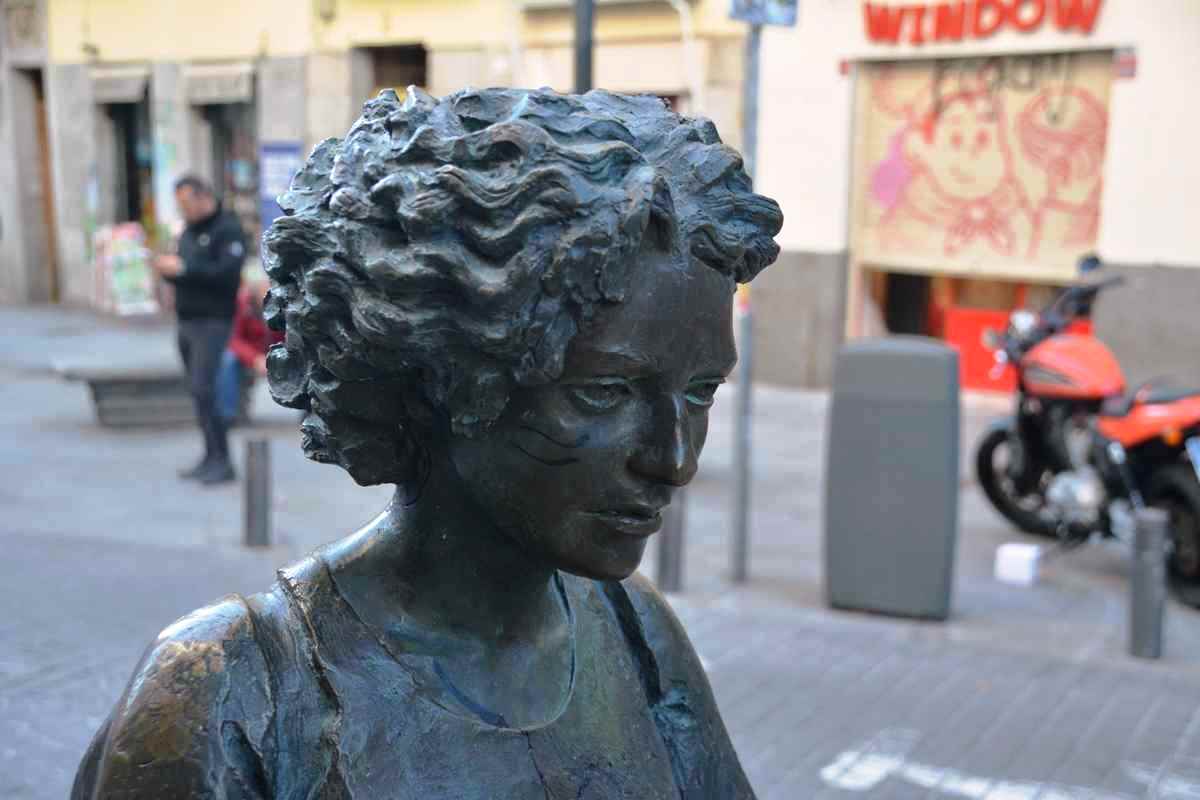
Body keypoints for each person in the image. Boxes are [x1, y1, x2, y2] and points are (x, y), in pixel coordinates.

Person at [72, 87, 783, 798]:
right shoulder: (232, 697)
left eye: (700, 393)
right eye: (603, 392)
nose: (673, 460)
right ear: (438, 376)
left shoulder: (639, 634)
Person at [150, 175, 247, 485]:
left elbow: (226, 274)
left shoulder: (228, 229)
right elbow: (185, 272)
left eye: (186, 203)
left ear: (204, 197)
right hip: (187, 321)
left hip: (214, 322)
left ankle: (223, 461)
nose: (184, 210)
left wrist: (185, 270)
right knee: (197, 392)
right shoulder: (189, 231)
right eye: (179, 205)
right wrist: (169, 272)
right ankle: (209, 455)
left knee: (207, 389)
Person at [215, 278, 283, 425]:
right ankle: (228, 415)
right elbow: (233, 339)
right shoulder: (242, 305)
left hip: (279, 352)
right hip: (252, 354)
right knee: (227, 361)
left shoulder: (283, 305)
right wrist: (254, 359)